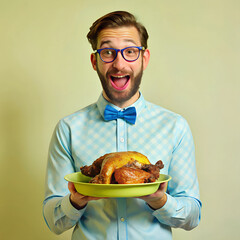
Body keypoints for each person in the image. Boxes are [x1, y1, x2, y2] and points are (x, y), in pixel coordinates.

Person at [43, 11, 201, 240]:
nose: (119, 64)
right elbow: (53, 221)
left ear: (144, 59)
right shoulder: (68, 128)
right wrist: (73, 203)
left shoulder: (175, 126)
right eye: (107, 52)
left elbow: (193, 215)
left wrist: (161, 202)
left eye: (130, 52)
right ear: (94, 61)